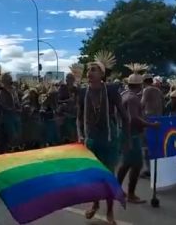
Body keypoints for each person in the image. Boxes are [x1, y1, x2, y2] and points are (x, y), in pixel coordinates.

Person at [77, 51, 130, 225]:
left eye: (94, 69)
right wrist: (80, 135)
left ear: (102, 74)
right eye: (88, 70)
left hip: (109, 138)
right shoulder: (82, 92)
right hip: (91, 138)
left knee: (107, 176)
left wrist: (126, 139)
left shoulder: (112, 90)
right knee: (94, 176)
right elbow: (79, 117)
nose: (90, 73)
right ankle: (95, 204)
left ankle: (109, 212)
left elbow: (124, 115)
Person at [118, 63, 160, 204]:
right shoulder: (133, 98)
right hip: (132, 135)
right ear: (140, 85)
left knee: (126, 164)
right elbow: (134, 119)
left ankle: (116, 189)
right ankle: (130, 194)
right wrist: (151, 125)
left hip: (124, 134)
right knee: (136, 165)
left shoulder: (123, 95)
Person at [140, 73, 165, 178]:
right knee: (156, 144)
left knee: (146, 146)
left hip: (149, 119)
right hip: (158, 119)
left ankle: (149, 170)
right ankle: (158, 168)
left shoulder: (147, 90)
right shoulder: (158, 91)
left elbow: (142, 104)